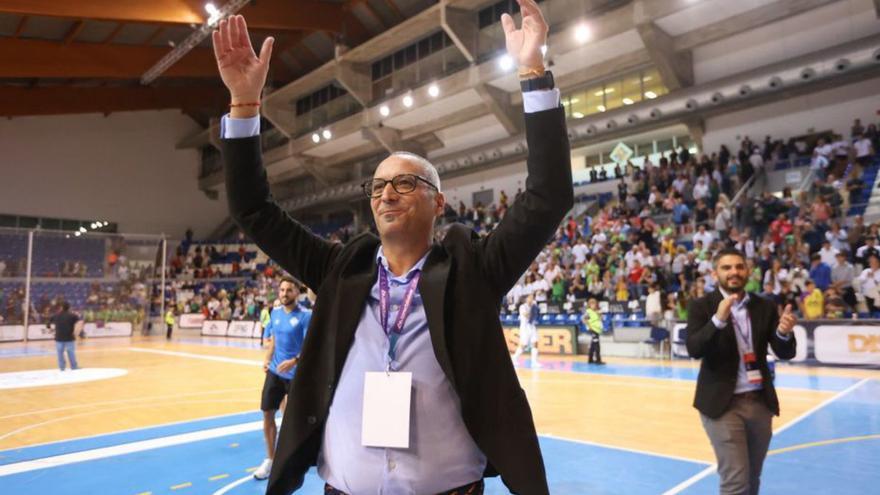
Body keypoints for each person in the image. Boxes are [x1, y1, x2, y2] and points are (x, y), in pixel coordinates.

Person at [213, 1, 570, 493]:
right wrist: (245, 105)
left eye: (404, 183)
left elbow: (549, 194)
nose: (386, 194)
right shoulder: (340, 268)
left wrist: (532, 71)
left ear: (438, 201)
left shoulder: (474, 268)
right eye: (378, 187)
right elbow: (254, 209)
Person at [686, 247, 797, 495]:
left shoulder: (764, 307)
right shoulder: (701, 306)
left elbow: (784, 352)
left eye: (739, 266)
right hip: (722, 406)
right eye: (727, 268)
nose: (733, 272)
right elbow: (694, 348)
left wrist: (783, 333)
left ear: (747, 271)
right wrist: (718, 320)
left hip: (759, 403)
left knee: (752, 478)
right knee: (736, 481)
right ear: (716, 274)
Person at [254, 277, 311, 480]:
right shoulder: (275, 313)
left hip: (296, 374)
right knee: (267, 414)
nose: (285, 293)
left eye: (289, 290)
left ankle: (292, 457)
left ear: (297, 292)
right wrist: (267, 359)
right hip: (276, 373)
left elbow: (311, 346)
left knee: (293, 418)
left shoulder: (306, 316)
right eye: (282, 290)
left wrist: (295, 361)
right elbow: (274, 341)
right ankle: (271, 459)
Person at [48, 301, 82, 371]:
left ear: (61, 307)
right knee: (71, 352)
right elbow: (80, 323)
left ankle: (62, 367)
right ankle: (74, 366)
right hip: (69, 337)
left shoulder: (56, 315)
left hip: (59, 337)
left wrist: (51, 330)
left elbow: (48, 324)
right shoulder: (73, 315)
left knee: (60, 353)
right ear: (69, 307)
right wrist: (76, 333)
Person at [513, 294, 541, 367]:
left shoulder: (534, 305)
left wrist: (535, 309)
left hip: (532, 326)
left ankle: (534, 362)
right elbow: (526, 315)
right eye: (530, 298)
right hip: (525, 327)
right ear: (526, 299)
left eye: (532, 298)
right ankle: (514, 359)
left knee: (535, 343)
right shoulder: (522, 306)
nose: (531, 299)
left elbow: (536, 315)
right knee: (523, 345)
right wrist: (533, 310)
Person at [582, 298, 605, 364]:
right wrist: (589, 326)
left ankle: (590, 359)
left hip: (597, 330)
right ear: (589, 305)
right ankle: (598, 360)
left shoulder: (597, 311)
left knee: (593, 345)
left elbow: (601, 319)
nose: (593, 305)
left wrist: (599, 314)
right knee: (597, 345)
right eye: (591, 304)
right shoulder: (588, 311)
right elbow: (584, 319)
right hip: (593, 330)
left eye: (594, 303)